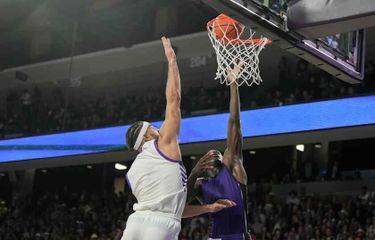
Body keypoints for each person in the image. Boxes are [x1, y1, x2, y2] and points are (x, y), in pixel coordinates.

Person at [122, 37, 235, 240]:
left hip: (135, 224)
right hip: (161, 227)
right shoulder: (163, 143)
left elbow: (175, 208)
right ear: (147, 135)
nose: (158, 128)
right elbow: (174, 99)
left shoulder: (132, 174)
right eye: (153, 127)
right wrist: (172, 61)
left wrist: (209, 207)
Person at [187, 65, 251, 240]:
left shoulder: (231, 165)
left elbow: (234, 124)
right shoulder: (200, 184)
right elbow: (177, 208)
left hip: (237, 236)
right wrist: (193, 174)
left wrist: (233, 84)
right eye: (209, 153)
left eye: (218, 152)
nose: (214, 152)